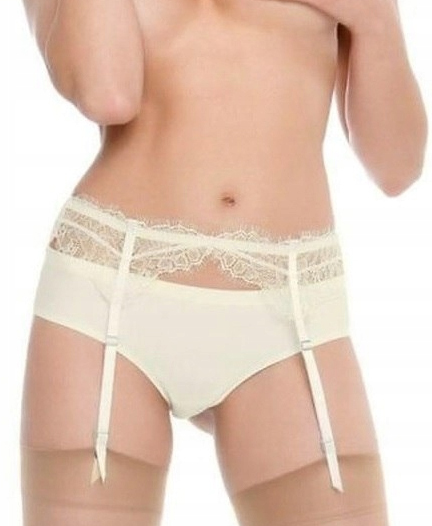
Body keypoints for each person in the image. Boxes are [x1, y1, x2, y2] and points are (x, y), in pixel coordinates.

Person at [19, 1, 427, 525]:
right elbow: (108, 92)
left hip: (289, 310)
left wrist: (375, 18)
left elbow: (397, 167)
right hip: (111, 297)